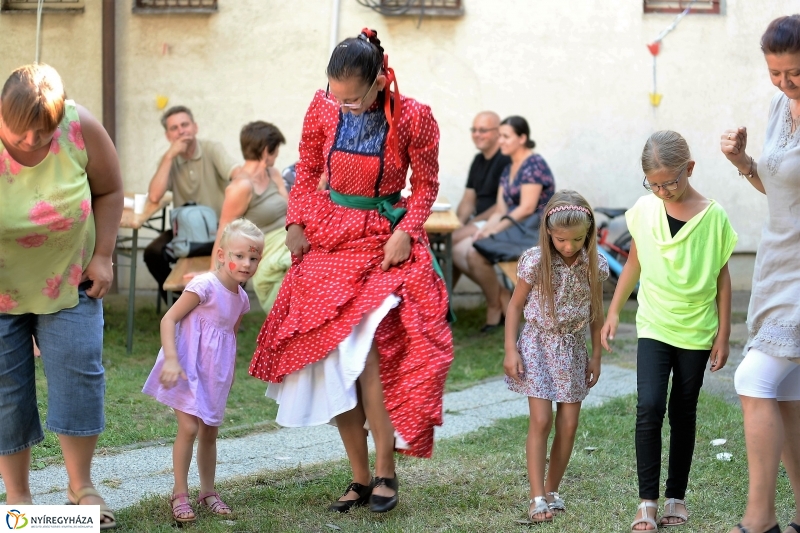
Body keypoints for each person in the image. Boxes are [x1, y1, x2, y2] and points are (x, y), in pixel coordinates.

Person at [249, 28, 453, 514]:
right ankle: (360, 478)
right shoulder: (322, 107)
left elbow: (425, 186)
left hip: (384, 237)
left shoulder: (415, 117)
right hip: (328, 235)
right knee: (335, 366)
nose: (343, 107)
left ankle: (386, 470)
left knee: (369, 356)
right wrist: (296, 219)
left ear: (380, 80)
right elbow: (308, 165)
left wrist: (409, 228)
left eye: (353, 99)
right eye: (336, 97)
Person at [0, 64, 123, 528]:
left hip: (71, 281)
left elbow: (109, 190)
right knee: (5, 393)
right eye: (20, 132)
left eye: (42, 132)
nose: (32, 141)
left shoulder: (80, 127)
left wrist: (104, 256)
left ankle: (81, 488)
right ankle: (18, 500)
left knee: (79, 378)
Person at [601, 130, 737, 532]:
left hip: (697, 328)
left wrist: (724, 333)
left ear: (689, 169)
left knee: (683, 411)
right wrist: (613, 312)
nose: (662, 190)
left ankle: (676, 497)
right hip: (654, 323)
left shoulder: (714, 217)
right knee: (649, 407)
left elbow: (723, 278)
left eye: (670, 182)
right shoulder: (644, 210)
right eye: (654, 184)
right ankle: (647, 502)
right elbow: (634, 263)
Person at [720, 14, 800, 533]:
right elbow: (781, 189)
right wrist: (744, 161)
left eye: (795, 74)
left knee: (755, 377)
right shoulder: (778, 107)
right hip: (777, 259)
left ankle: (759, 522)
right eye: (775, 73)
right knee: (790, 390)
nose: (785, 83)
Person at [142, 219, 263, 524]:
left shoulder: (242, 298)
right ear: (221, 254)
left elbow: (230, 337)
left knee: (209, 432)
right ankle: (179, 492)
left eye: (253, 258)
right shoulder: (204, 286)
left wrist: (228, 374)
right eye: (239, 255)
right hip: (186, 367)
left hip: (214, 374)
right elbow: (168, 319)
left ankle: (207, 491)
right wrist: (171, 359)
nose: (246, 263)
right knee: (189, 428)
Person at [503, 190, 607, 524]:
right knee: (541, 420)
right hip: (537, 345)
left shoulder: (595, 264)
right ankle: (536, 497)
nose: (569, 246)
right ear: (549, 231)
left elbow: (596, 313)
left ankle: (551, 490)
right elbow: (515, 306)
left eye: (578, 239)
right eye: (562, 239)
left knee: (569, 423)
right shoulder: (535, 261)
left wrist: (596, 357)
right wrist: (510, 349)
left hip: (573, 348)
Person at [452, 115, 555, 331]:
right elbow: (500, 209)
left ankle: (499, 306)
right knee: (469, 249)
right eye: (500, 137)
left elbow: (526, 208)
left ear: (522, 138)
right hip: (514, 230)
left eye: (506, 137)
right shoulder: (509, 168)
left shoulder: (533, 164)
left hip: (532, 232)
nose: (501, 142)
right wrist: (487, 230)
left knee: (474, 253)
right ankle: (499, 299)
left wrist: (495, 230)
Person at [186, 121, 289, 313]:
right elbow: (225, 229)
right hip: (267, 250)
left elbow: (291, 207)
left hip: (287, 240)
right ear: (267, 151)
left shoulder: (273, 174)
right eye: (275, 151)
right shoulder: (240, 187)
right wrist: (213, 270)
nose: (277, 155)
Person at [144, 105, 241, 301]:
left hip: (218, 231)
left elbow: (237, 174)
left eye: (185, 125)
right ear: (168, 136)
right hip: (185, 235)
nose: (181, 131)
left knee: (238, 253)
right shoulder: (168, 159)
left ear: (195, 127)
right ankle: (182, 304)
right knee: (152, 253)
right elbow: (154, 196)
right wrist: (169, 156)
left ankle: (227, 307)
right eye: (174, 128)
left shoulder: (211, 149)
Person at [452, 111, 510, 244]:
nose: (477, 134)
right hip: (478, 220)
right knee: (446, 237)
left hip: (496, 222)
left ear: (498, 132)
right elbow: (468, 200)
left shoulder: (506, 160)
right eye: (474, 130)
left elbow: (503, 206)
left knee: (450, 240)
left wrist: (472, 222)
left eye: (483, 130)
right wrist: (459, 222)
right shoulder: (478, 159)